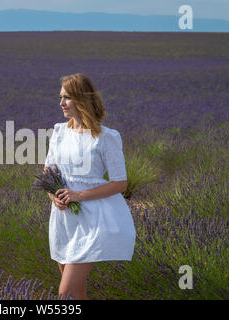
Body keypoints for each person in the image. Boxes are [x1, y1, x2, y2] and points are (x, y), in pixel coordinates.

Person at [43, 73, 136, 300]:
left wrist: (78, 195)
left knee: (65, 294)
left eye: (67, 98)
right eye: (61, 97)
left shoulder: (106, 137)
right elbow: (48, 174)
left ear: (81, 99)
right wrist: (54, 197)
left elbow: (120, 183)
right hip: (64, 219)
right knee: (77, 293)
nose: (61, 103)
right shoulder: (59, 132)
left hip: (93, 219)